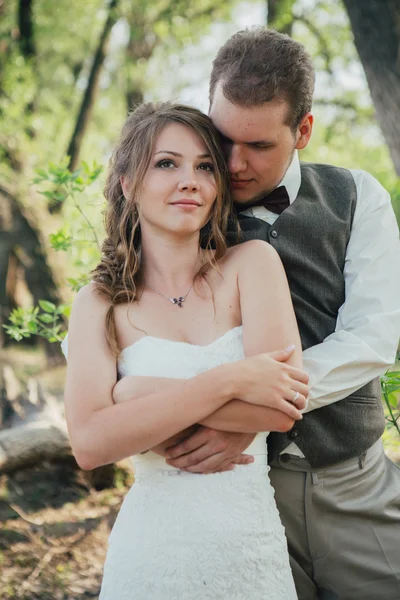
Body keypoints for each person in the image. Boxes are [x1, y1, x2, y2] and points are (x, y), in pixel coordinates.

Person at [160, 29, 400, 600]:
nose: (236, 164)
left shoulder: (356, 195)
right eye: (223, 139)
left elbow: (373, 335)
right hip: (232, 493)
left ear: (304, 131)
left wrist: (253, 410)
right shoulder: (173, 204)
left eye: (261, 146)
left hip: (351, 480)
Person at [62, 101, 311, 599]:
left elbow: (281, 407)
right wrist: (229, 380)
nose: (189, 180)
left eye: (204, 166)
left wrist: (134, 395)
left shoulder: (253, 266)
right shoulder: (99, 303)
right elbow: (90, 444)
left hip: (250, 552)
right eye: (166, 163)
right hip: (150, 557)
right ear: (129, 183)